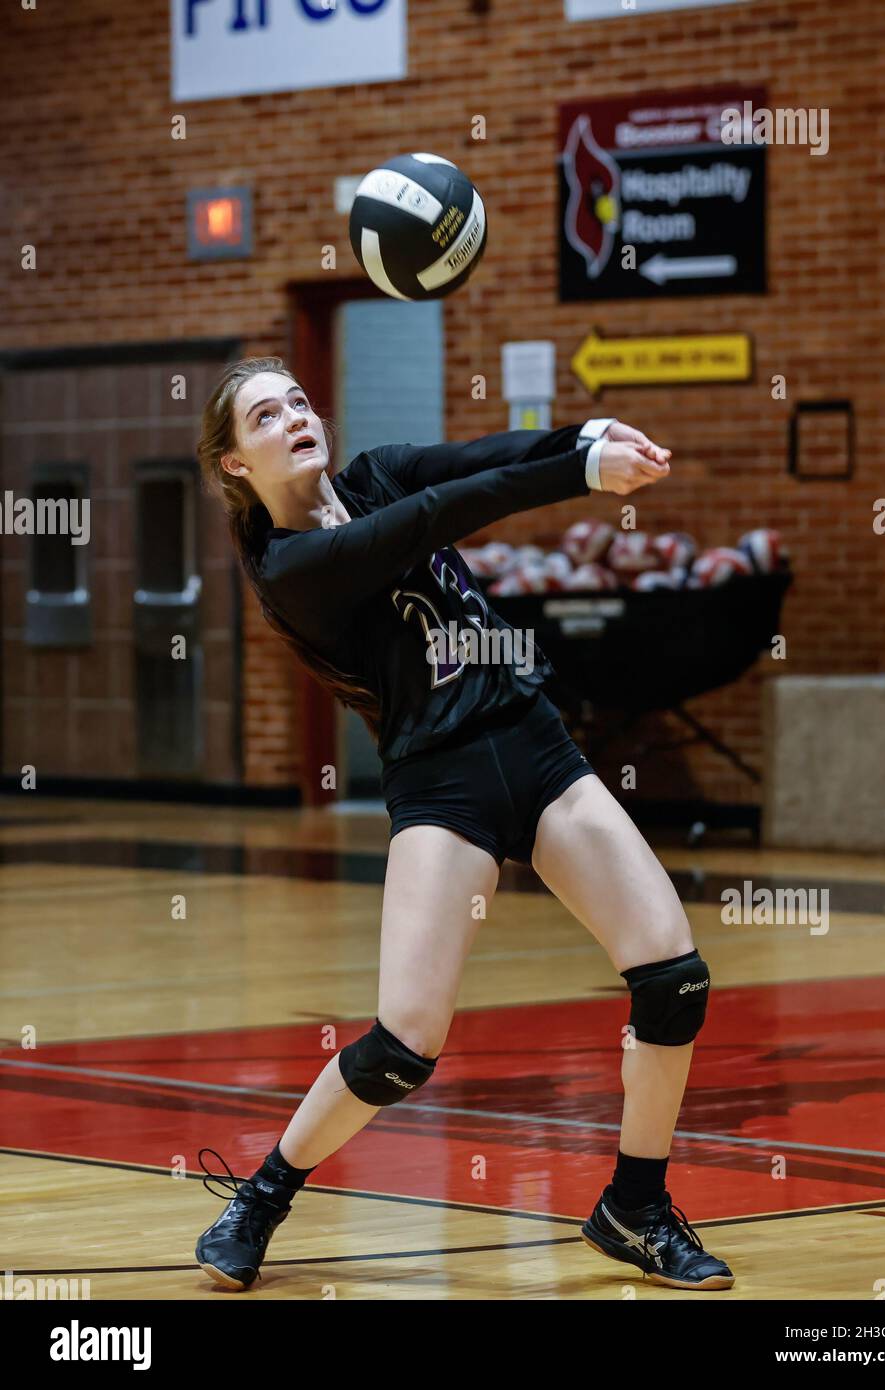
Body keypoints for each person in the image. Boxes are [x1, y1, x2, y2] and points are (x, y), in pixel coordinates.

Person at [192, 355, 734, 1293]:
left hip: (534, 745)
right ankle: (264, 1195)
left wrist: (582, 439)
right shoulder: (291, 568)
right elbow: (437, 520)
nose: (294, 417)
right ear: (236, 464)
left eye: (298, 400)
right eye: (265, 416)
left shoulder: (375, 475)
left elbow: (478, 458)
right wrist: (576, 474)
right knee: (405, 1046)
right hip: (441, 788)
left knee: (674, 980)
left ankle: (635, 1207)